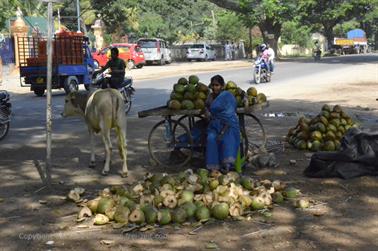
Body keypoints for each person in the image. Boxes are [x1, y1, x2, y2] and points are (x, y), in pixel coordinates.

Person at [206, 75, 240, 173]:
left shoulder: (227, 95)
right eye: (213, 85)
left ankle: (227, 165)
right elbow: (206, 108)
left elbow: (230, 112)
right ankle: (214, 167)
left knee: (227, 138)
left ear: (222, 86)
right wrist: (207, 113)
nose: (214, 87)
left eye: (217, 85)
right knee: (211, 138)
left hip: (228, 124)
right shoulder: (210, 97)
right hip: (214, 125)